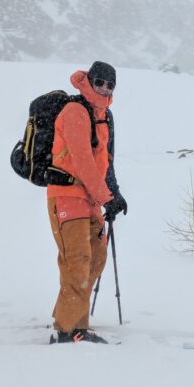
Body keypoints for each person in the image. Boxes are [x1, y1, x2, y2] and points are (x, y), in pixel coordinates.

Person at [46, 61, 127, 343]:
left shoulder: (105, 116)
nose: (104, 88)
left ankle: (70, 315)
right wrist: (106, 197)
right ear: (89, 80)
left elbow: (106, 162)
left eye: (110, 84)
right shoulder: (75, 111)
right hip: (67, 194)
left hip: (91, 198)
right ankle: (69, 330)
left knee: (96, 257)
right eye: (99, 82)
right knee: (78, 259)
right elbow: (81, 160)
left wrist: (114, 194)